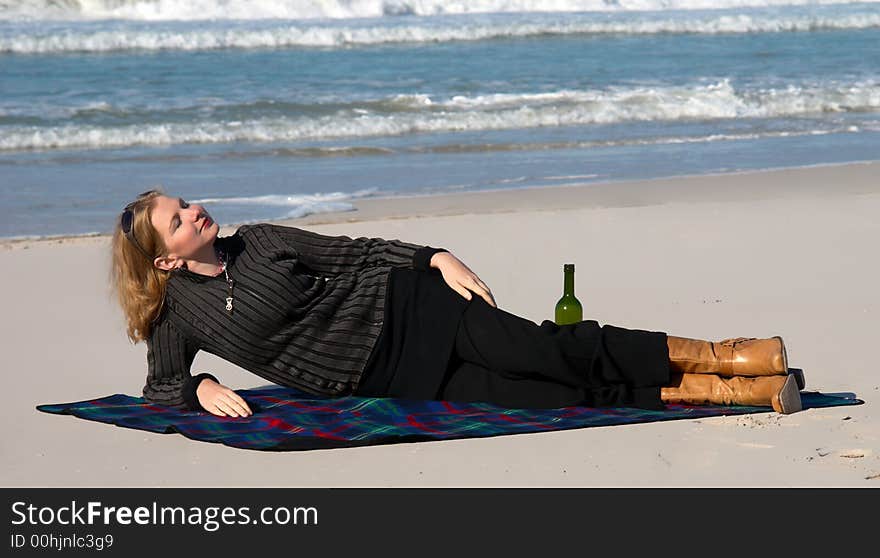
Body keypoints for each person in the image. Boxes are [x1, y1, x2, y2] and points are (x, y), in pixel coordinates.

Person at [109, 189, 804, 419]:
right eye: (178, 219)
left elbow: (355, 254)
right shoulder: (177, 316)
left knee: (546, 349)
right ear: (165, 260)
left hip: (410, 305)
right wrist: (198, 387)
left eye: (185, 203)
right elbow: (158, 387)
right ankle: (729, 393)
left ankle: (729, 354)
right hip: (388, 377)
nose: (194, 211)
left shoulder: (258, 240)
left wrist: (433, 257)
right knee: (540, 396)